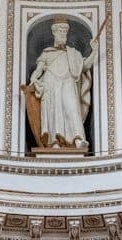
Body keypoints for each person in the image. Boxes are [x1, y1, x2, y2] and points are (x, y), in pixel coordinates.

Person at [27, 17, 92, 149]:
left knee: (72, 108)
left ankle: (77, 139)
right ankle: (54, 141)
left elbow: (85, 66)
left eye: (65, 31)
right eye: (60, 31)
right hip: (51, 83)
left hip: (68, 82)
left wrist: (94, 51)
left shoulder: (73, 53)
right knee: (53, 111)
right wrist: (33, 80)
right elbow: (38, 70)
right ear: (54, 33)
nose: (63, 34)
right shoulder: (47, 53)